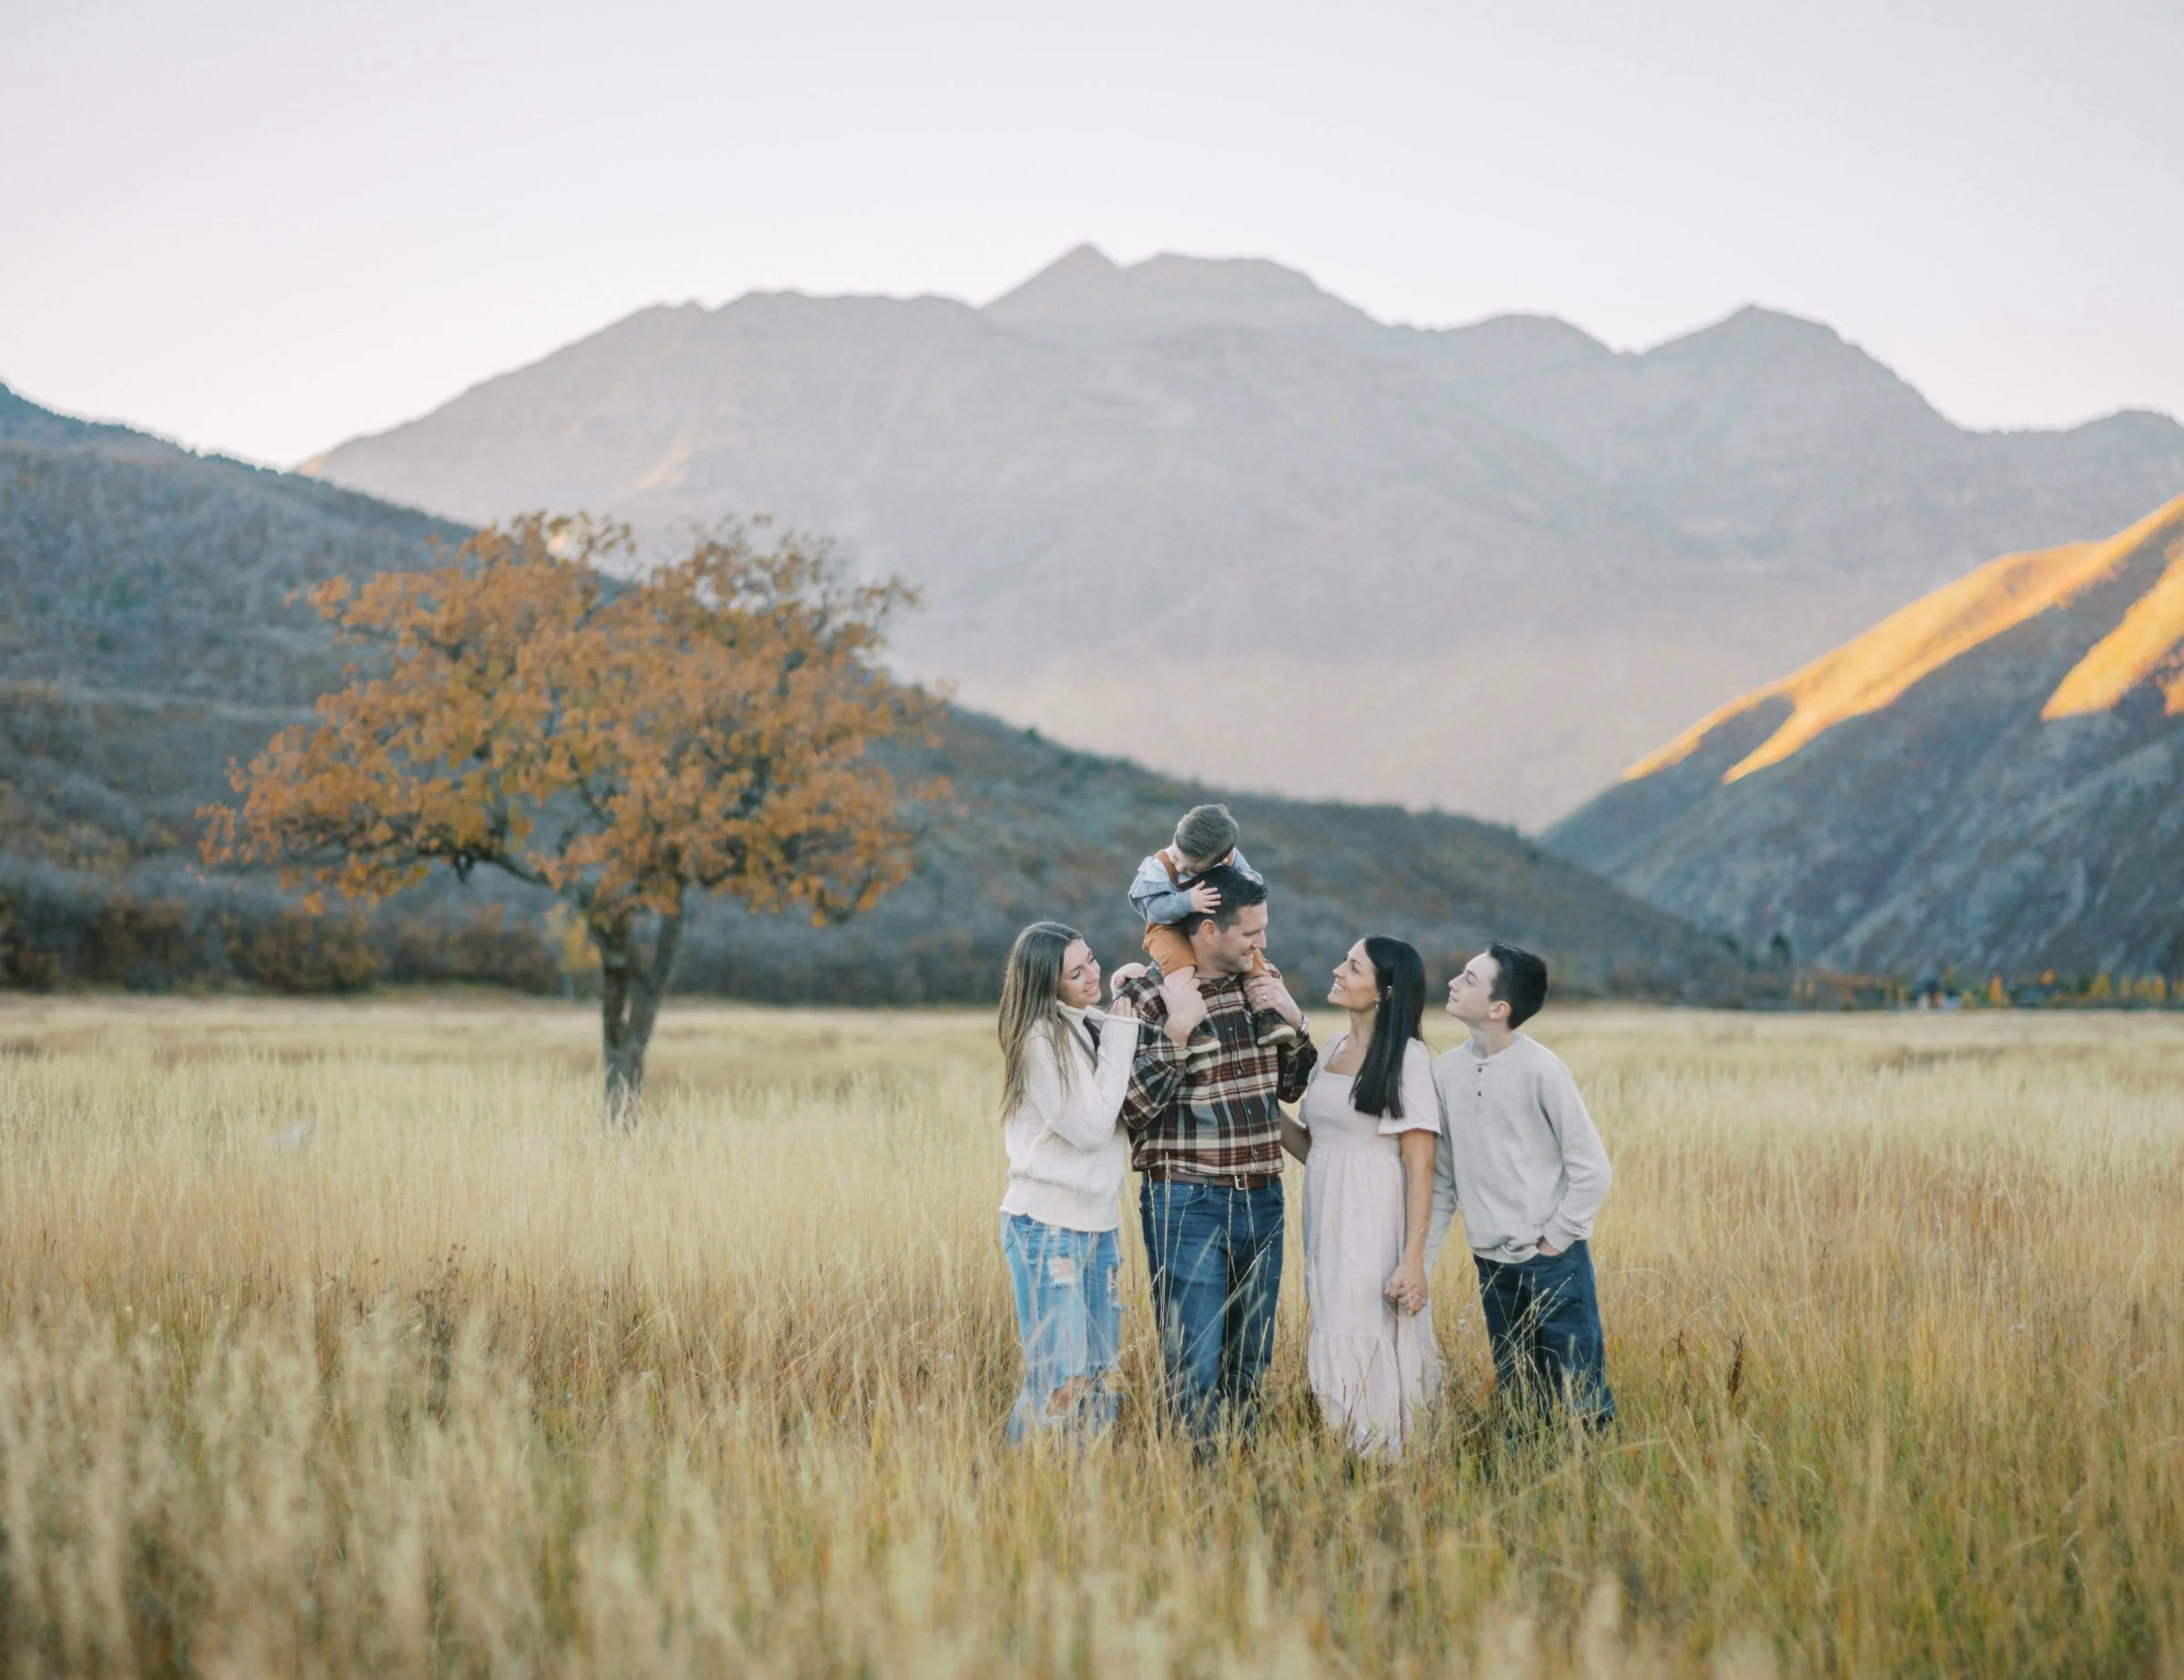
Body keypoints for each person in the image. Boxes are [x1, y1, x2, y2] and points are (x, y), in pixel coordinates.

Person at [1115, 865, 1316, 1445]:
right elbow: (1130, 1109)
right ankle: (1194, 1496)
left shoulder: (1262, 989)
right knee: (1193, 1366)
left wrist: (1294, 1017)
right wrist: (1179, 1034)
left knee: (1250, 1364)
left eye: (1263, 930)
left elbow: (1294, 1089)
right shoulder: (1147, 999)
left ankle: (1241, 1480)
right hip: (1186, 1200)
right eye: (1249, 933)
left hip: (1263, 1197)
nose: (1262, 943)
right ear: (1206, 931)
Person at [1431, 943, 1615, 1427]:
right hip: (1491, 1262)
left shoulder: (1541, 1068)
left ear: (1499, 1008)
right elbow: (1442, 1177)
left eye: (1470, 978)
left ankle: (1588, 1487)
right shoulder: (1445, 1071)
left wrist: (1554, 1243)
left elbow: (1592, 1168)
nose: (1454, 981)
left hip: (1552, 1261)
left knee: (1580, 1392)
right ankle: (1526, 1480)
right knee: (1519, 1392)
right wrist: (1421, 1261)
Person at [1279, 936, 1442, 1456]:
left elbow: (1421, 1165)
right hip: (1326, 1210)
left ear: (1384, 991)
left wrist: (1413, 1261)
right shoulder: (1329, 1048)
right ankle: (1348, 1448)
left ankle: (1387, 1457)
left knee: (1367, 1327)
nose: (1338, 970)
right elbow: (1317, 1147)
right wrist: (1258, 1102)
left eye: (1353, 967)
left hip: (1375, 1218)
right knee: (1333, 1321)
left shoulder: (1407, 1057)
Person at [996, 921, 1141, 1439]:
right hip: (1046, 1225)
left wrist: (1127, 995)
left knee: (1099, 1378)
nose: (1091, 975)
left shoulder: (1080, 1023)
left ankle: (1081, 1496)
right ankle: (1018, 1491)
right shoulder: (1038, 1038)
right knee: (1059, 1382)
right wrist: (1122, 1032)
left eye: (1092, 961)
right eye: (1075, 972)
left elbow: (1111, 1041)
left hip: (1097, 1225)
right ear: (1045, 984)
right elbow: (1088, 1127)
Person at [1123, 802, 1296, 1047]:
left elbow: (1252, 880)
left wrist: (1234, 887)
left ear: (1222, 857)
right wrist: (1186, 900)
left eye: (1190, 867)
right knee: (1179, 968)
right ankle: (1193, 1024)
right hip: (1167, 927)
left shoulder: (1230, 858)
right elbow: (1153, 910)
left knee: (1253, 960)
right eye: (1177, 857)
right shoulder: (1158, 867)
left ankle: (1267, 1015)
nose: (1180, 867)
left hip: (1213, 924)